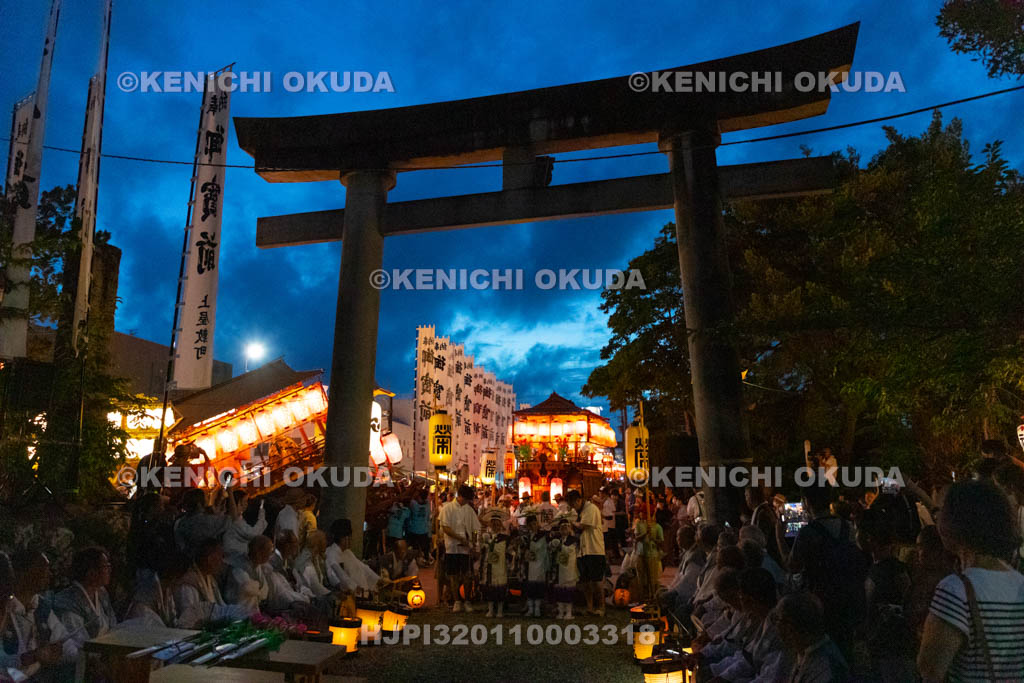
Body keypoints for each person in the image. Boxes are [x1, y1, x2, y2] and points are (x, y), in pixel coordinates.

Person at [917, 480, 1024, 682]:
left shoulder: (956, 590)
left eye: (942, 513)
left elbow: (929, 670)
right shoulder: (1020, 584)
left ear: (955, 524)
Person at [774, 477, 867, 661]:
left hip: (821, 600)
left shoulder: (808, 533)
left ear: (807, 502)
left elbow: (792, 566)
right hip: (847, 597)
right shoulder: (846, 527)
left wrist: (779, 537)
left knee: (824, 653)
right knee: (845, 650)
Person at [856, 507, 915, 682]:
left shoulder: (894, 571)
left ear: (869, 537)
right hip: (882, 649)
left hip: (893, 652)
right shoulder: (882, 567)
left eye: (857, 529)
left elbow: (908, 604)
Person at [1, 550, 75, 681]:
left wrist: (53, 653)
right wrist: (35, 657)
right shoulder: (6, 605)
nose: (49, 574)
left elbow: (68, 646)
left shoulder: (41, 606)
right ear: (22, 573)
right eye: (43, 569)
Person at [174, 538, 249, 628]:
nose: (222, 562)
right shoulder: (189, 584)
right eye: (220, 556)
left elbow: (221, 607)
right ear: (210, 559)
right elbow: (187, 618)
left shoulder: (210, 579)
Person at [775, 592, 849, 683]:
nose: (776, 626)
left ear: (791, 627)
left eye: (777, 619)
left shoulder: (825, 670)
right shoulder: (799, 653)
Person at [54, 547, 118, 650]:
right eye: (105, 566)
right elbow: (77, 641)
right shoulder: (68, 601)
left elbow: (113, 625)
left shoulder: (102, 593)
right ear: (91, 572)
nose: (109, 570)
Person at [439, 484, 481, 612]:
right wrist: (459, 538)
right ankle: (457, 600)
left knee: (467, 575)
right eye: (467, 499)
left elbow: (475, 528)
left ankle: (467, 600)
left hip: (466, 548)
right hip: (452, 547)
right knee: (454, 575)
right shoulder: (448, 508)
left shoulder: (469, 510)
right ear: (461, 496)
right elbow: (445, 527)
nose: (469, 502)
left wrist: (473, 543)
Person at [566, 489, 606, 616]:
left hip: (594, 549)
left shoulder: (591, 509)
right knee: (585, 582)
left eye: (573, 504)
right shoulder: (580, 511)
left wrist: (571, 522)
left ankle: (601, 607)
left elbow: (583, 526)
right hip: (583, 551)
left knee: (597, 581)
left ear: (578, 500)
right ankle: (589, 607)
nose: (573, 507)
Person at [126, 551, 190, 627]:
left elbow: (172, 618)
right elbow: (146, 620)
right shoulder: (148, 590)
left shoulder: (167, 591)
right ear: (175, 576)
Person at [174, 486, 238, 552]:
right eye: (206, 498)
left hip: (186, 559)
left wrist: (219, 500)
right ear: (199, 505)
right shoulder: (204, 521)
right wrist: (230, 492)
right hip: (205, 560)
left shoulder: (179, 522)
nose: (208, 501)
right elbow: (233, 519)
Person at [325, 519, 382, 593]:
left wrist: (378, 579)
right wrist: (353, 587)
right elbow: (334, 577)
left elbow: (362, 567)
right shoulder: (331, 553)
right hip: (348, 594)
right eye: (349, 537)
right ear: (343, 538)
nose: (350, 540)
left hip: (360, 591)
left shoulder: (348, 552)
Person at [222, 490, 267, 563]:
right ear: (238, 503)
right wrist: (262, 514)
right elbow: (252, 533)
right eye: (244, 501)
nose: (246, 504)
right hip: (233, 560)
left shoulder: (240, 519)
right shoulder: (232, 520)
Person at [480, 511, 511, 617]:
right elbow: (482, 551)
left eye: (498, 524)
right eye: (493, 524)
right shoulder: (486, 537)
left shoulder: (505, 538)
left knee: (500, 588)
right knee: (489, 587)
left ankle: (500, 610)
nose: (496, 526)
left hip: (500, 567)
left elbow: (510, 552)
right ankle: (491, 609)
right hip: (489, 566)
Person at [549, 517, 579, 620]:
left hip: (569, 570)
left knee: (568, 591)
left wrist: (560, 547)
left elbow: (570, 551)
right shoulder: (557, 540)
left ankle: (569, 612)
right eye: (562, 527)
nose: (564, 528)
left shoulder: (574, 540)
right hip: (558, 569)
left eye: (566, 526)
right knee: (559, 590)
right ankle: (560, 611)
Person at [522, 515, 549, 617]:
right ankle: (530, 608)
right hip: (530, 564)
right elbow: (523, 548)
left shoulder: (543, 535)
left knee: (538, 586)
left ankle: (537, 608)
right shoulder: (527, 537)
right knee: (530, 587)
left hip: (540, 563)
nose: (534, 526)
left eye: (535, 523)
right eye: (531, 524)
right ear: (528, 526)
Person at [407, 489, 433, 562]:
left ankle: (414, 561)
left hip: (414, 529)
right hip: (424, 530)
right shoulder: (427, 505)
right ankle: (426, 559)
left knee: (414, 547)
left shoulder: (413, 504)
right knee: (425, 548)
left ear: (419, 496)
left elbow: (411, 498)